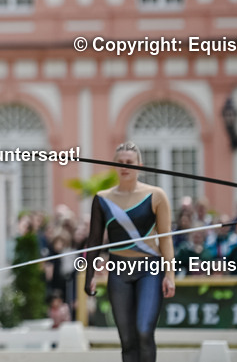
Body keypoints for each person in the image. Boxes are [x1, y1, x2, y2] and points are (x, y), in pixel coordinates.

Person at [85, 142, 175, 362]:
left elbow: (165, 238)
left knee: (144, 331)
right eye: (120, 163)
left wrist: (170, 275)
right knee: (127, 340)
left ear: (139, 165)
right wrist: (89, 277)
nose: (125, 167)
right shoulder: (102, 198)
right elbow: (95, 240)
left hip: (149, 271)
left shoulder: (156, 195)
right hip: (119, 271)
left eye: (129, 163)